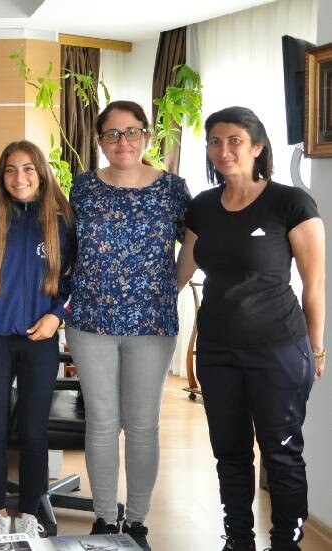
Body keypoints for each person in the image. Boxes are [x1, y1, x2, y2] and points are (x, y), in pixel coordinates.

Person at [177, 106, 325, 551]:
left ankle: (285, 543)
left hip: (278, 349)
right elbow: (181, 272)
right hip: (217, 350)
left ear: (258, 147)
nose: (223, 150)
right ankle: (238, 540)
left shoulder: (290, 203)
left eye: (235, 140)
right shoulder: (202, 207)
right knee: (230, 453)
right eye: (215, 141)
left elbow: (314, 285)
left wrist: (316, 348)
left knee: (281, 454)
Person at [65, 100, 190, 549]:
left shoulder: (172, 188)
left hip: (152, 323)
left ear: (147, 136)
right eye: (112, 134)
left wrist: (169, 287)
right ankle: (103, 520)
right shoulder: (82, 188)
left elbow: (194, 242)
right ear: (100, 141)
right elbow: (66, 247)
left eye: (132, 131)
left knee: (142, 425)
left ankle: (136, 522)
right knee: (101, 423)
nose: (123, 142)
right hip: (89, 321)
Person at [0, 141, 75, 538]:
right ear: (2, 177)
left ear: (41, 173)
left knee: (33, 431)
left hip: (39, 341)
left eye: (28, 168)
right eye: (10, 169)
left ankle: (28, 513)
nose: (19, 177)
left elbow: (75, 280)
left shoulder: (61, 224)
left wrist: (56, 316)